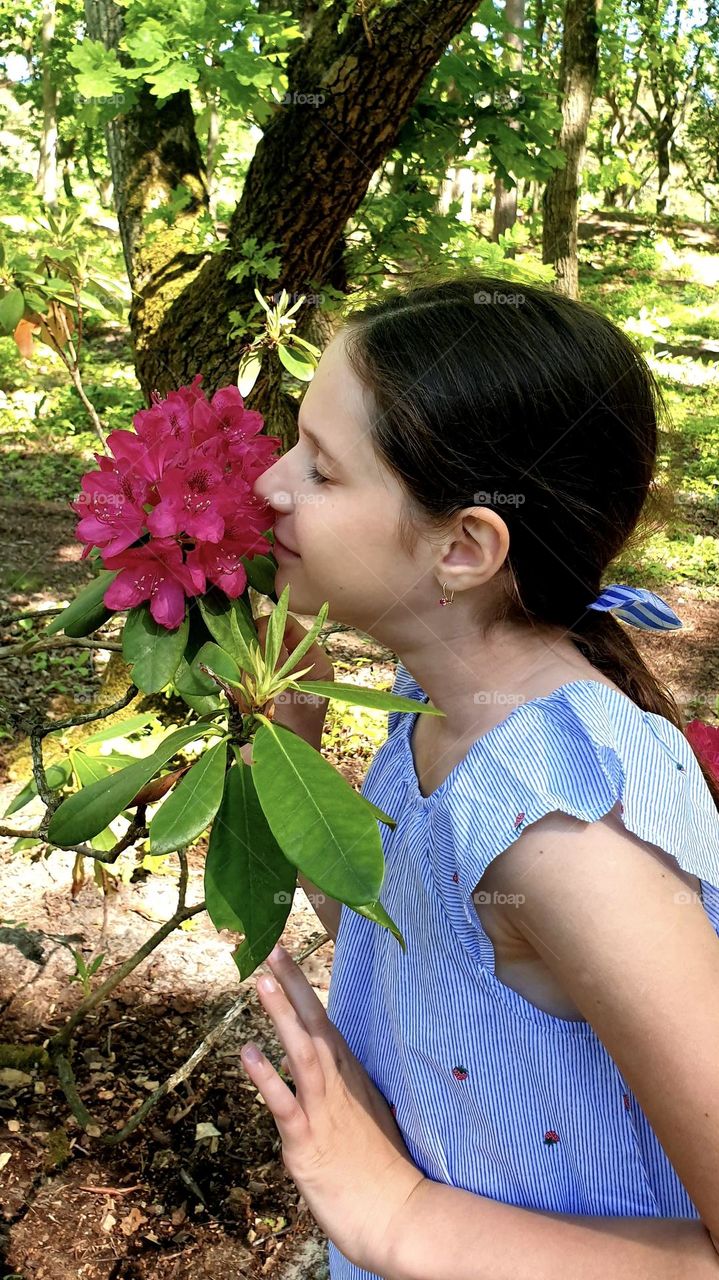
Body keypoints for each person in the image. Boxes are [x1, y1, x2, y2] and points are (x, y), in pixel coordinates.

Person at [239, 272, 719, 1280]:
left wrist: (400, 1212)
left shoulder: (565, 837)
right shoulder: (436, 709)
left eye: (320, 470)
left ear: (463, 546)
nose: (269, 485)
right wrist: (293, 719)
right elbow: (418, 928)